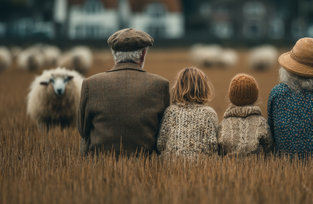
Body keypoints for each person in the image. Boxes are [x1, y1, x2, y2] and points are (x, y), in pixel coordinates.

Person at [78, 28, 170, 156]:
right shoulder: (160, 84)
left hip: (100, 164)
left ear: (114, 54)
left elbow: (83, 130)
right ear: (143, 55)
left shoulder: (90, 83)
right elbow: (163, 133)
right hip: (145, 166)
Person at [157, 67, 218, 160]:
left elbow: (161, 144)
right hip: (202, 167)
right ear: (204, 88)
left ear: (178, 87)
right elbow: (213, 146)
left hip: (172, 166)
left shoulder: (170, 111)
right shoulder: (210, 113)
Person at [218, 73, 272, 156]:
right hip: (256, 167)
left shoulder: (224, 124)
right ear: (255, 97)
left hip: (229, 167)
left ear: (231, 96)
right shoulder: (261, 123)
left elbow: (219, 152)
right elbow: (269, 148)